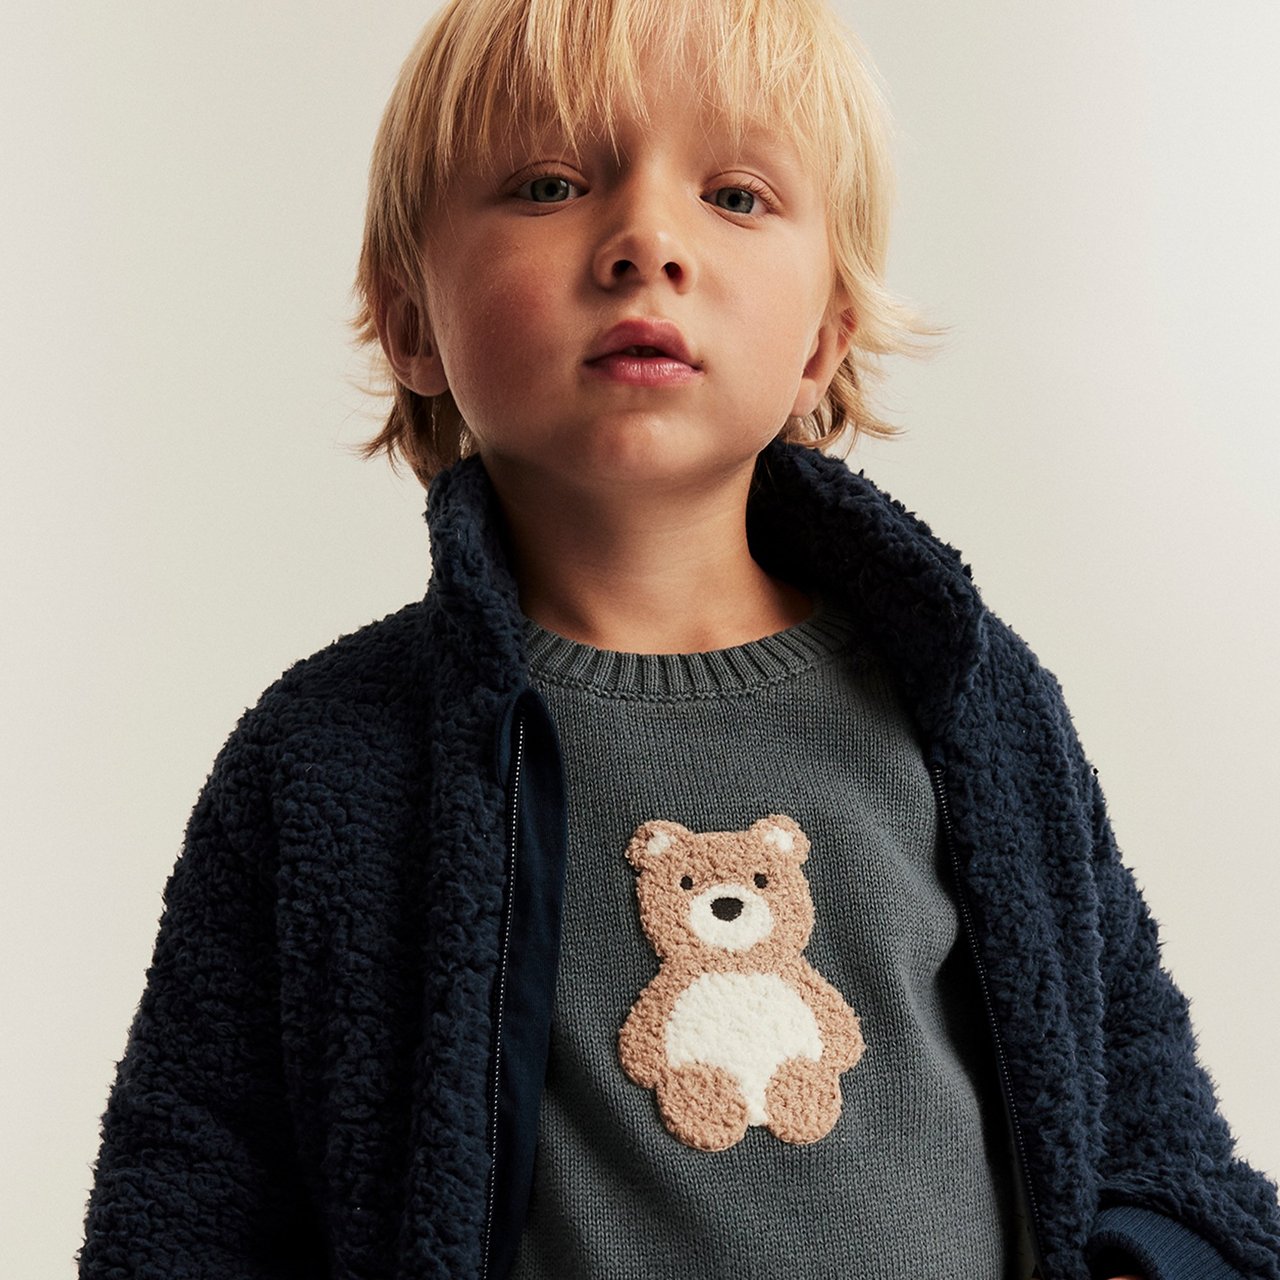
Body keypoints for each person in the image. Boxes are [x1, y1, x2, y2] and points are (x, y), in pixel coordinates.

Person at [77, 1, 1280, 1278]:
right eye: (547, 183)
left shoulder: (969, 702)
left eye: (738, 196)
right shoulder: (326, 757)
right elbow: (187, 1190)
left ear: (824, 335)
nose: (646, 240)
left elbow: (1154, 1138)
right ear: (411, 321)